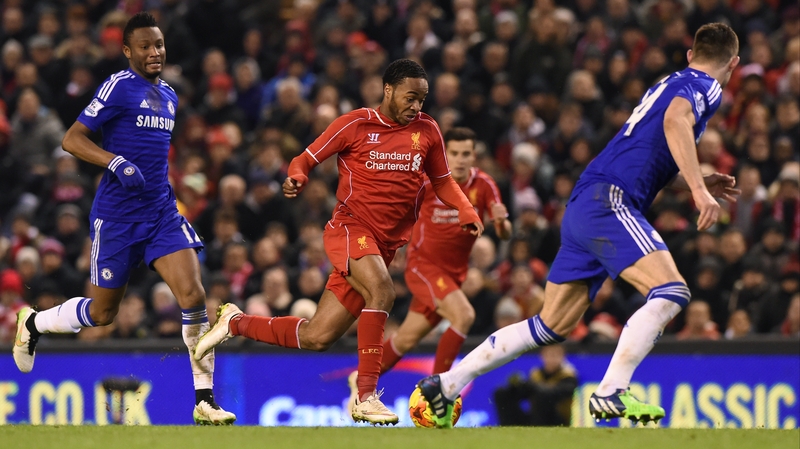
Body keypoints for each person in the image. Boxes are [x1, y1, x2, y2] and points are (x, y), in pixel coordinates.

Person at [416, 23, 742, 428]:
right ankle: (612, 390)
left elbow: (651, 151)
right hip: (611, 200)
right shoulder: (707, 86)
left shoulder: (670, 81)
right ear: (733, 63)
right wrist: (698, 189)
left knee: (549, 325)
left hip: (586, 202)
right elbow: (676, 121)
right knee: (671, 291)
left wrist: (694, 178)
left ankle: (446, 385)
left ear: (691, 54)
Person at [193, 59, 483, 425]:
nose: (416, 106)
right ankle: (366, 396)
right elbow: (305, 158)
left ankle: (235, 322)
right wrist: (297, 176)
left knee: (318, 336)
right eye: (410, 98)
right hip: (350, 229)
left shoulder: (427, 130)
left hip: (384, 246)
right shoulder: (355, 124)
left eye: (422, 100)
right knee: (382, 291)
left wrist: (466, 209)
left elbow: (441, 181)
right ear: (388, 90)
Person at [12, 13, 235, 425]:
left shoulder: (170, 95)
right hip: (117, 217)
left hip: (161, 212)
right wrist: (114, 161)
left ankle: (205, 400)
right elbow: (72, 139)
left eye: (159, 45)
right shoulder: (118, 86)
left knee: (193, 295)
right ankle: (35, 322)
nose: (155, 52)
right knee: (103, 314)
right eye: (145, 46)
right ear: (128, 51)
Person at [378, 127, 511, 377]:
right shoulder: (427, 181)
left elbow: (504, 233)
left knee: (406, 339)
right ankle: (440, 388)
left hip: (453, 275)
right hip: (423, 267)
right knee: (464, 316)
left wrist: (502, 223)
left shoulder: (484, 185)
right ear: (444, 155)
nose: (460, 160)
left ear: (474, 156)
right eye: (454, 153)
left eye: (466, 154)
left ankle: (360, 379)